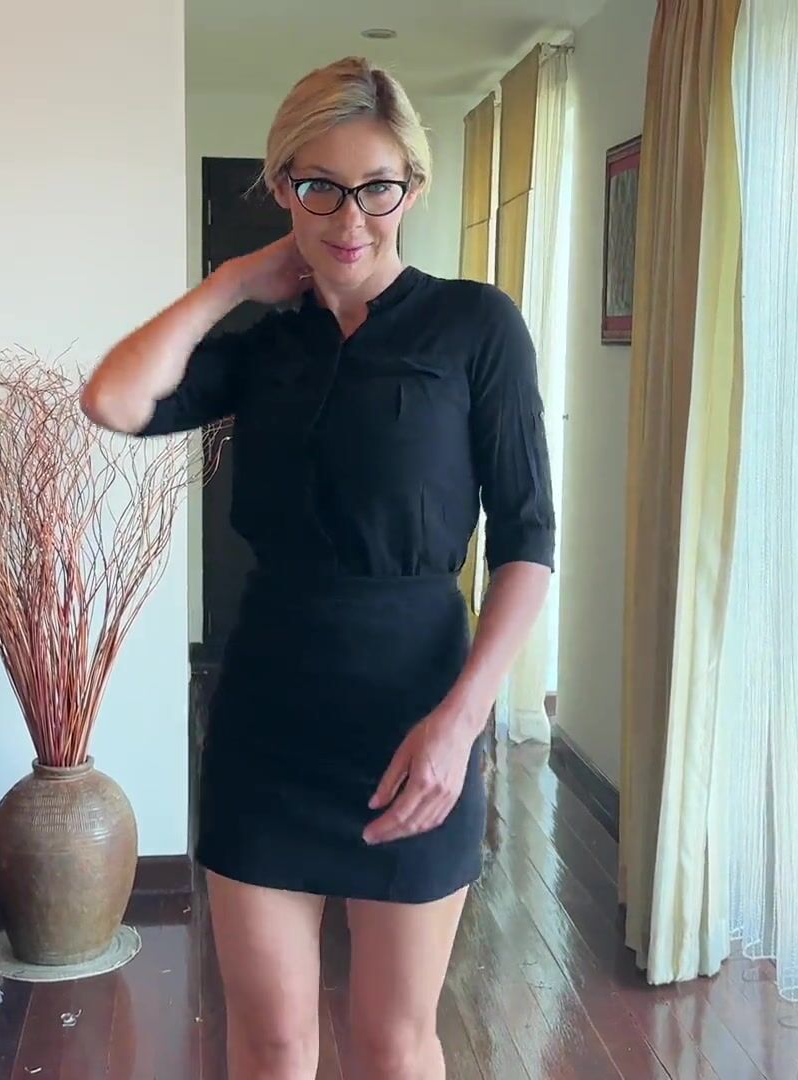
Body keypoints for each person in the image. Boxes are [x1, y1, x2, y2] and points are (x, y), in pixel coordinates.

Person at [80, 56, 554, 1080]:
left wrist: (462, 723)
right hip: (268, 718)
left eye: (377, 187)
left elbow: (528, 541)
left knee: (394, 1044)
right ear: (282, 187)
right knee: (271, 1043)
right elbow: (112, 400)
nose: (350, 218)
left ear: (411, 189)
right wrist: (231, 282)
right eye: (319, 187)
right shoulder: (267, 345)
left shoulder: (476, 327)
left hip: (418, 716)